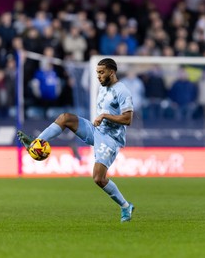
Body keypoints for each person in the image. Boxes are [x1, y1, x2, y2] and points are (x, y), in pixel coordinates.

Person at [17, 58, 135, 222]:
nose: (98, 76)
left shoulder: (122, 91)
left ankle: (125, 206)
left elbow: (128, 119)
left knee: (98, 178)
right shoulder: (103, 89)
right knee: (66, 118)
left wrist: (105, 116)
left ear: (112, 72)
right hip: (96, 130)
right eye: (97, 73)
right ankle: (36, 142)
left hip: (110, 138)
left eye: (101, 73)